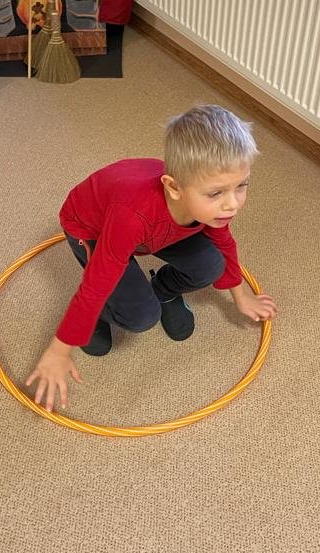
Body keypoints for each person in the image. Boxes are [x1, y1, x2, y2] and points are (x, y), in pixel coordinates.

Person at [25, 104, 278, 411]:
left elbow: (224, 244)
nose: (232, 204)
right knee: (141, 316)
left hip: (154, 230)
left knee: (212, 264)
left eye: (241, 186)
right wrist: (59, 350)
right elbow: (98, 281)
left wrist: (241, 297)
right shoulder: (133, 217)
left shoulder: (210, 205)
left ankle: (164, 290)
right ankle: (103, 314)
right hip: (94, 227)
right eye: (216, 193)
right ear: (174, 188)